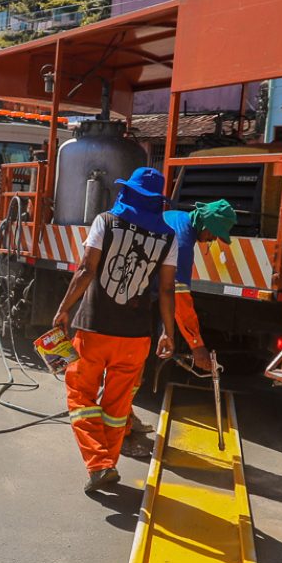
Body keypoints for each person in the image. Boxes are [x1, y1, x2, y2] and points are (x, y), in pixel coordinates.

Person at [52, 167, 179, 493]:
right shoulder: (168, 236)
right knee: (117, 405)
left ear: (128, 192)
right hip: (137, 335)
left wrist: (64, 309)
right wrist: (168, 332)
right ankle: (106, 464)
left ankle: (99, 465)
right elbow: (166, 290)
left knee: (80, 396)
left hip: (95, 328)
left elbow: (86, 269)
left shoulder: (105, 221)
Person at [163, 199, 237, 372]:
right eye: (214, 233)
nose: (213, 239)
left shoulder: (177, 217)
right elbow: (179, 300)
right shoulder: (182, 244)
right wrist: (196, 344)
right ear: (205, 224)